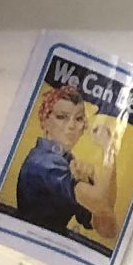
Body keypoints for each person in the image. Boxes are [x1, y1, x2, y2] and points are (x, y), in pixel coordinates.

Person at [12, 84, 121, 240]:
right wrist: (108, 150)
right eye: (61, 117)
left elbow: (107, 230)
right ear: (44, 121)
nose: (71, 126)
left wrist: (89, 181)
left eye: (78, 119)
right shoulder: (44, 161)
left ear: (84, 126)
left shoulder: (70, 164)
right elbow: (100, 203)